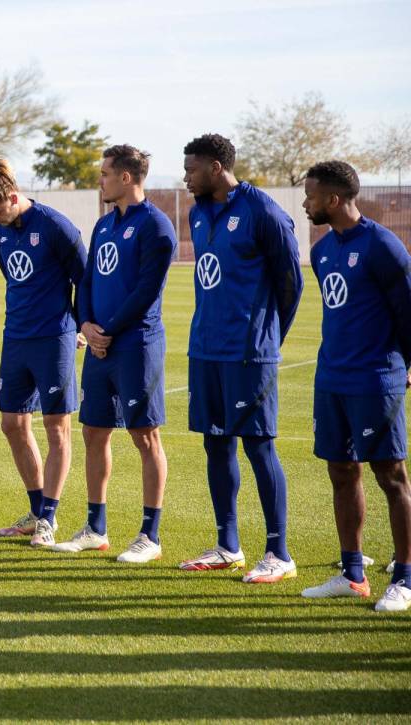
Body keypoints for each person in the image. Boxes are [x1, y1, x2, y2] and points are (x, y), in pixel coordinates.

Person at [179, 133, 304, 584]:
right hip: (205, 349)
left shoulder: (263, 211)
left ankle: (279, 553)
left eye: (191, 169)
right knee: (215, 444)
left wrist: (267, 339)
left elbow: (291, 284)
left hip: (249, 354)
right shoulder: (197, 212)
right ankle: (227, 546)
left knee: (258, 446)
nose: (186, 177)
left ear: (216, 168)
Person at [298, 161, 411, 612]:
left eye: (310, 196)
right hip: (332, 379)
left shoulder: (383, 246)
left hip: (375, 378)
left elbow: (407, 311)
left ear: (333, 199)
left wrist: (407, 365)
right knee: (341, 471)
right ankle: (352, 575)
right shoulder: (322, 251)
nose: (305, 203)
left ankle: (404, 578)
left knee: (392, 476)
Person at [60, 144, 176, 563]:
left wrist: (106, 331)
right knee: (93, 432)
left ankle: (149, 536)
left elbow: (146, 291)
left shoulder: (156, 226)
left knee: (145, 436)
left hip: (136, 345)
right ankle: (95, 528)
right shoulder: (104, 224)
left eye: (105, 173)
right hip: (99, 346)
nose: (100, 180)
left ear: (126, 178)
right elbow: (88, 280)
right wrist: (86, 324)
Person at [0, 158, 87, 545]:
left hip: (54, 337)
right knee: (12, 424)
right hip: (16, 337)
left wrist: (80, 324)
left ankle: (48, 520)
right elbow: (14, 278)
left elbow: (84, 278)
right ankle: (37, 510)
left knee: (57, 428)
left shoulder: (54, 225)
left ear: (13, 197)